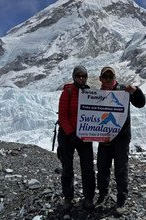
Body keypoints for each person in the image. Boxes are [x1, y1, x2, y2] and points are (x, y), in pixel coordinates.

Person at [96, 66, 146, 215]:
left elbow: (141, 103)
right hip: (104, 137)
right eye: (105, 76)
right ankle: (103, 195)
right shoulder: (96, 94)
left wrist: (136, 90)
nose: (108, 79)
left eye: (110, 77)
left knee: (121, 169)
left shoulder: (124, 91)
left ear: (114, 78)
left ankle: (121, 200)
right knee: (102, 168)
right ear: (100, 79)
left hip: (121, 138)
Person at [57, 65, 95, 211]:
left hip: (85, 135)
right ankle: (68, 197)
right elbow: (63, 116)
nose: (81, 78)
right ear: (73, 77)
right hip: (68, 135)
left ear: (86, 77)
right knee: (67, 167)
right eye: (78, 76)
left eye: (83, 76)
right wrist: (71, 133)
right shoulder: (68, 92)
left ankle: (89, 197)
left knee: (88, 168)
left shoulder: (90, 93)